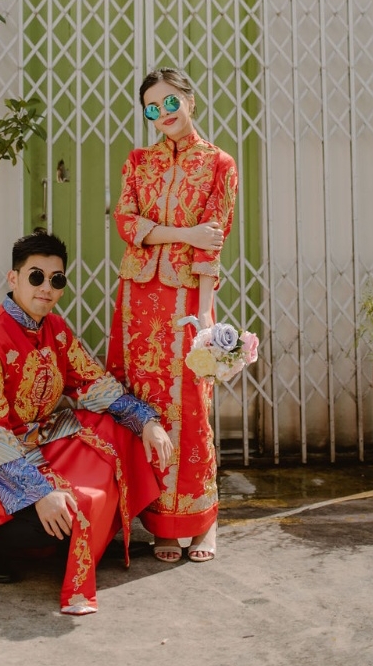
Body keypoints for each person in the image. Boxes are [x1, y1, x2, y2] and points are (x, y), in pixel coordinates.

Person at [0, 229, 172, 616]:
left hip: (36, 440)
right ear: (13, 279)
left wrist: (148, 422)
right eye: (36, 276)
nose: (46, 288)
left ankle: (87, 522)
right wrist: (40, 494)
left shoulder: (56, 330)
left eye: (56, 279)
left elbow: (94, 384)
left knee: (119, 428)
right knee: (53, 520)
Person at [105, 67, 238, 564]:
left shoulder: (220, 164)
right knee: (147, 405)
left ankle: (204, 521)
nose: (162, 115)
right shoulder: (138, 162)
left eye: (170, 104)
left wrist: (204, 314)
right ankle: (162, 522)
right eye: (152, 109)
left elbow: (214, 242)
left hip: (186, 300)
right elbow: (126, 222)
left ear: (190, 100)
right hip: (139, 299)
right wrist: (183, 235)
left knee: (191, 406)